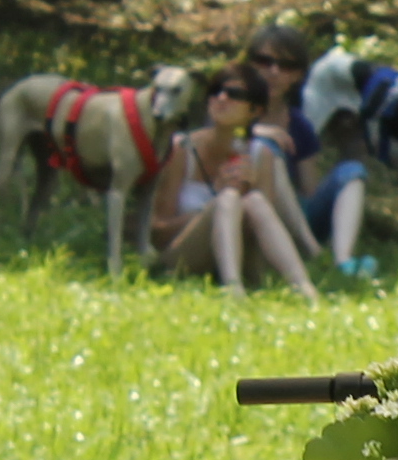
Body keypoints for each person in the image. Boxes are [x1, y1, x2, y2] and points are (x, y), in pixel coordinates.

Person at [148, 67, 322, 296]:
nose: (222, 98)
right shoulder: (183, 148)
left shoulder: (260, 154)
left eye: (234, 94)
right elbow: (158, 232)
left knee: (255, 200)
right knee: (228, 198)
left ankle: (303, 287)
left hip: (244, 260)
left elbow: (262, 233)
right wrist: (211, 206)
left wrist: (247, 189)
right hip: (187, 258)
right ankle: (233, 289)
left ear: (254, 110)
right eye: (215, 92)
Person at [244, 21, 376, 278]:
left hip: (294, 216)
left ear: (298, 75)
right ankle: (312, 251)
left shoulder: (299, 124)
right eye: (264, 61)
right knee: (268, 150)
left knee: (352, 171)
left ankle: (342, 261)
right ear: (250, 64)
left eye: (286, 66)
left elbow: (309, 189)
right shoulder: (230, 108)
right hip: (251, 209)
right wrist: (256, 134)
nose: (274, 72)